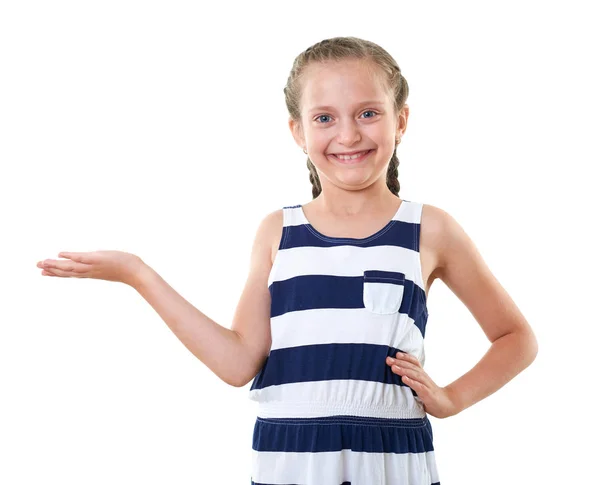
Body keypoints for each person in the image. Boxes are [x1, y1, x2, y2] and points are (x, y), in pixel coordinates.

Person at [36, 36, 538, 484]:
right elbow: (238, 364)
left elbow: (516, 339)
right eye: (325, 118)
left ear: (400, 119)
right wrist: (136, 274)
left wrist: (451, 400)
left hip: (390, 455)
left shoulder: (431, 228)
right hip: (288, 457)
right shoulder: (278, 231)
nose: (348, 135)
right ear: (298, 132)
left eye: (368, 112)